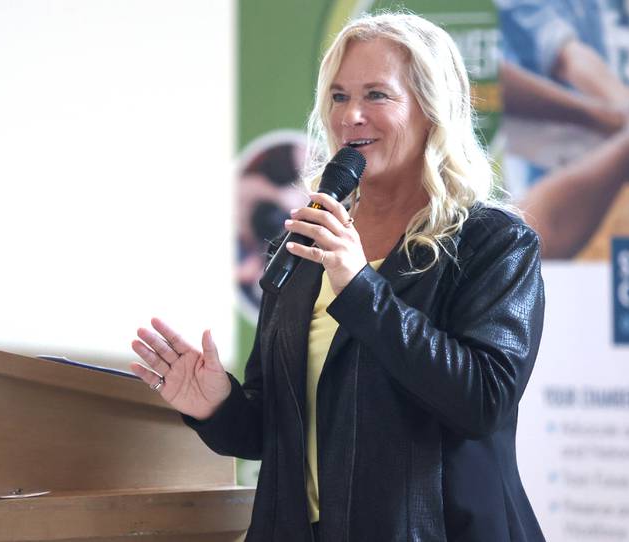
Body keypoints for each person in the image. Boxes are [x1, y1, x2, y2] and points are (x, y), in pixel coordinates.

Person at [131, 12, 546, 542]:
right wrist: (216, 404)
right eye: (338, 96)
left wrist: (360, 288)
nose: (351, 116)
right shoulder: (306, 242)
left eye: (377, 95)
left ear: (431, 110)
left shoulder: (495, 244)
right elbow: (274, 429)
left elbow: (482, 402)